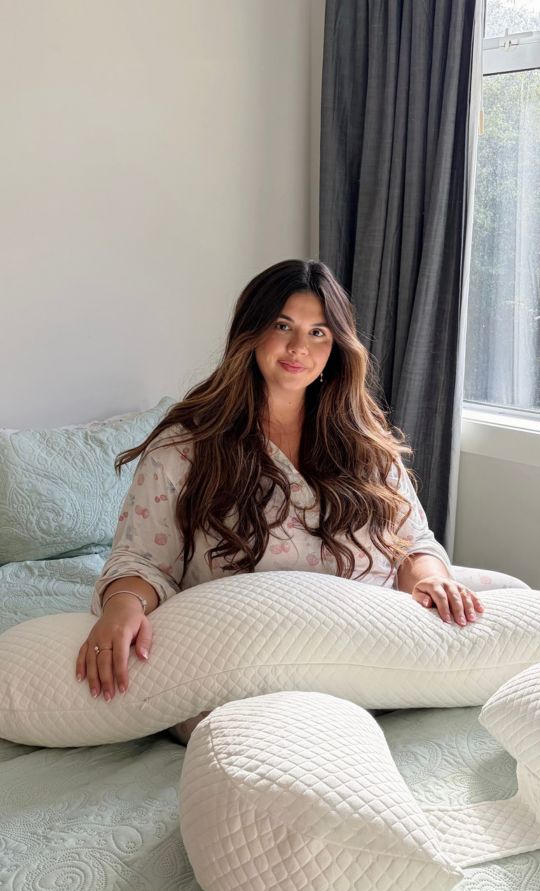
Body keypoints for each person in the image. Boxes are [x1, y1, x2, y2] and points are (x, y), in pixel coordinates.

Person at [76, 259, 484, 742]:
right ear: (250, 333)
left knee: (508, 604)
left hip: (366, 664)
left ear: (336, 347)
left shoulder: (365, 445)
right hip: (236, 675)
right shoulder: (186, 448)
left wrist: (433, 580)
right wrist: (122, 605)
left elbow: (412, 543)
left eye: (319, 333)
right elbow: (143, 560)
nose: (298, 348)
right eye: (283, 326)